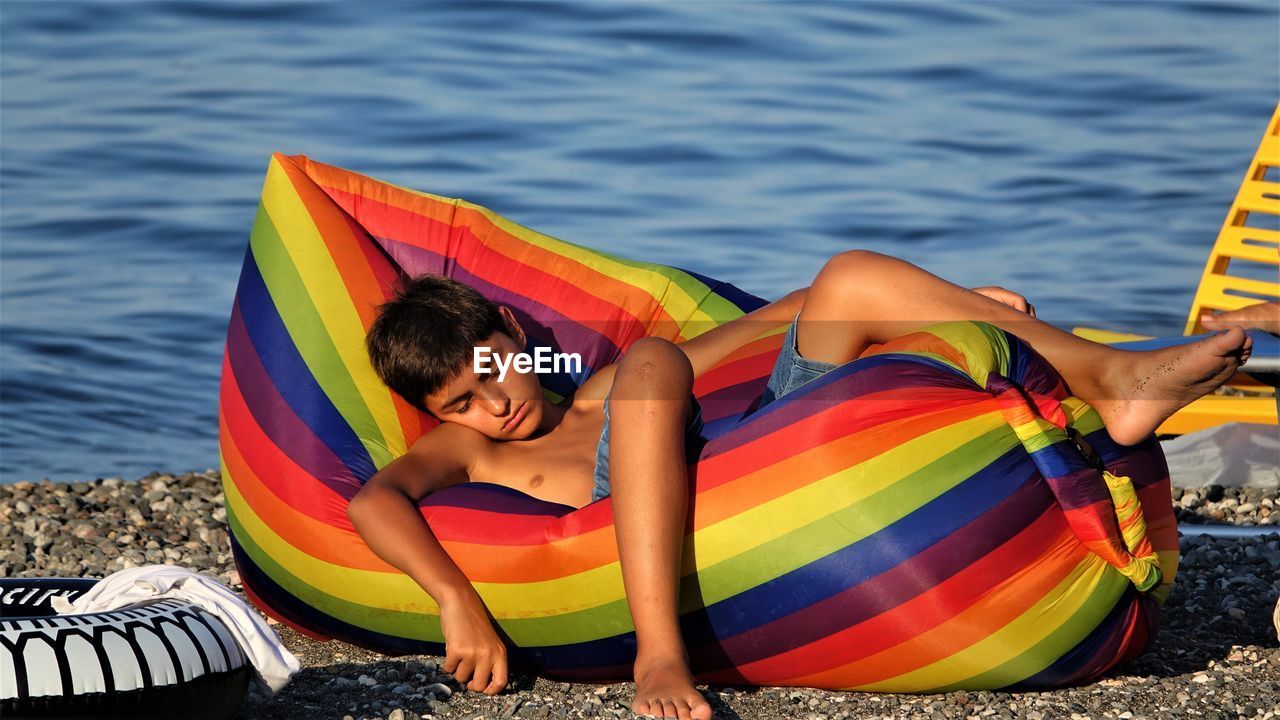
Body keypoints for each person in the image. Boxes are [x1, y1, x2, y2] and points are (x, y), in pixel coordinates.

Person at [347, 249, 1253, 720]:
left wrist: (948, 302)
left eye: (492, 370)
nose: (494, 404)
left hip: (763, 447)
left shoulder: (602, 384)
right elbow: (372, 501)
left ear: (511, 330)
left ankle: (1119, 382)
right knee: (657, 362)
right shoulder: (473, 460)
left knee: (847, 277)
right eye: (460, 402)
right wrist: (455, 600)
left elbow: (771, 324)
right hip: (728, 516)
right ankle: (657, 652)